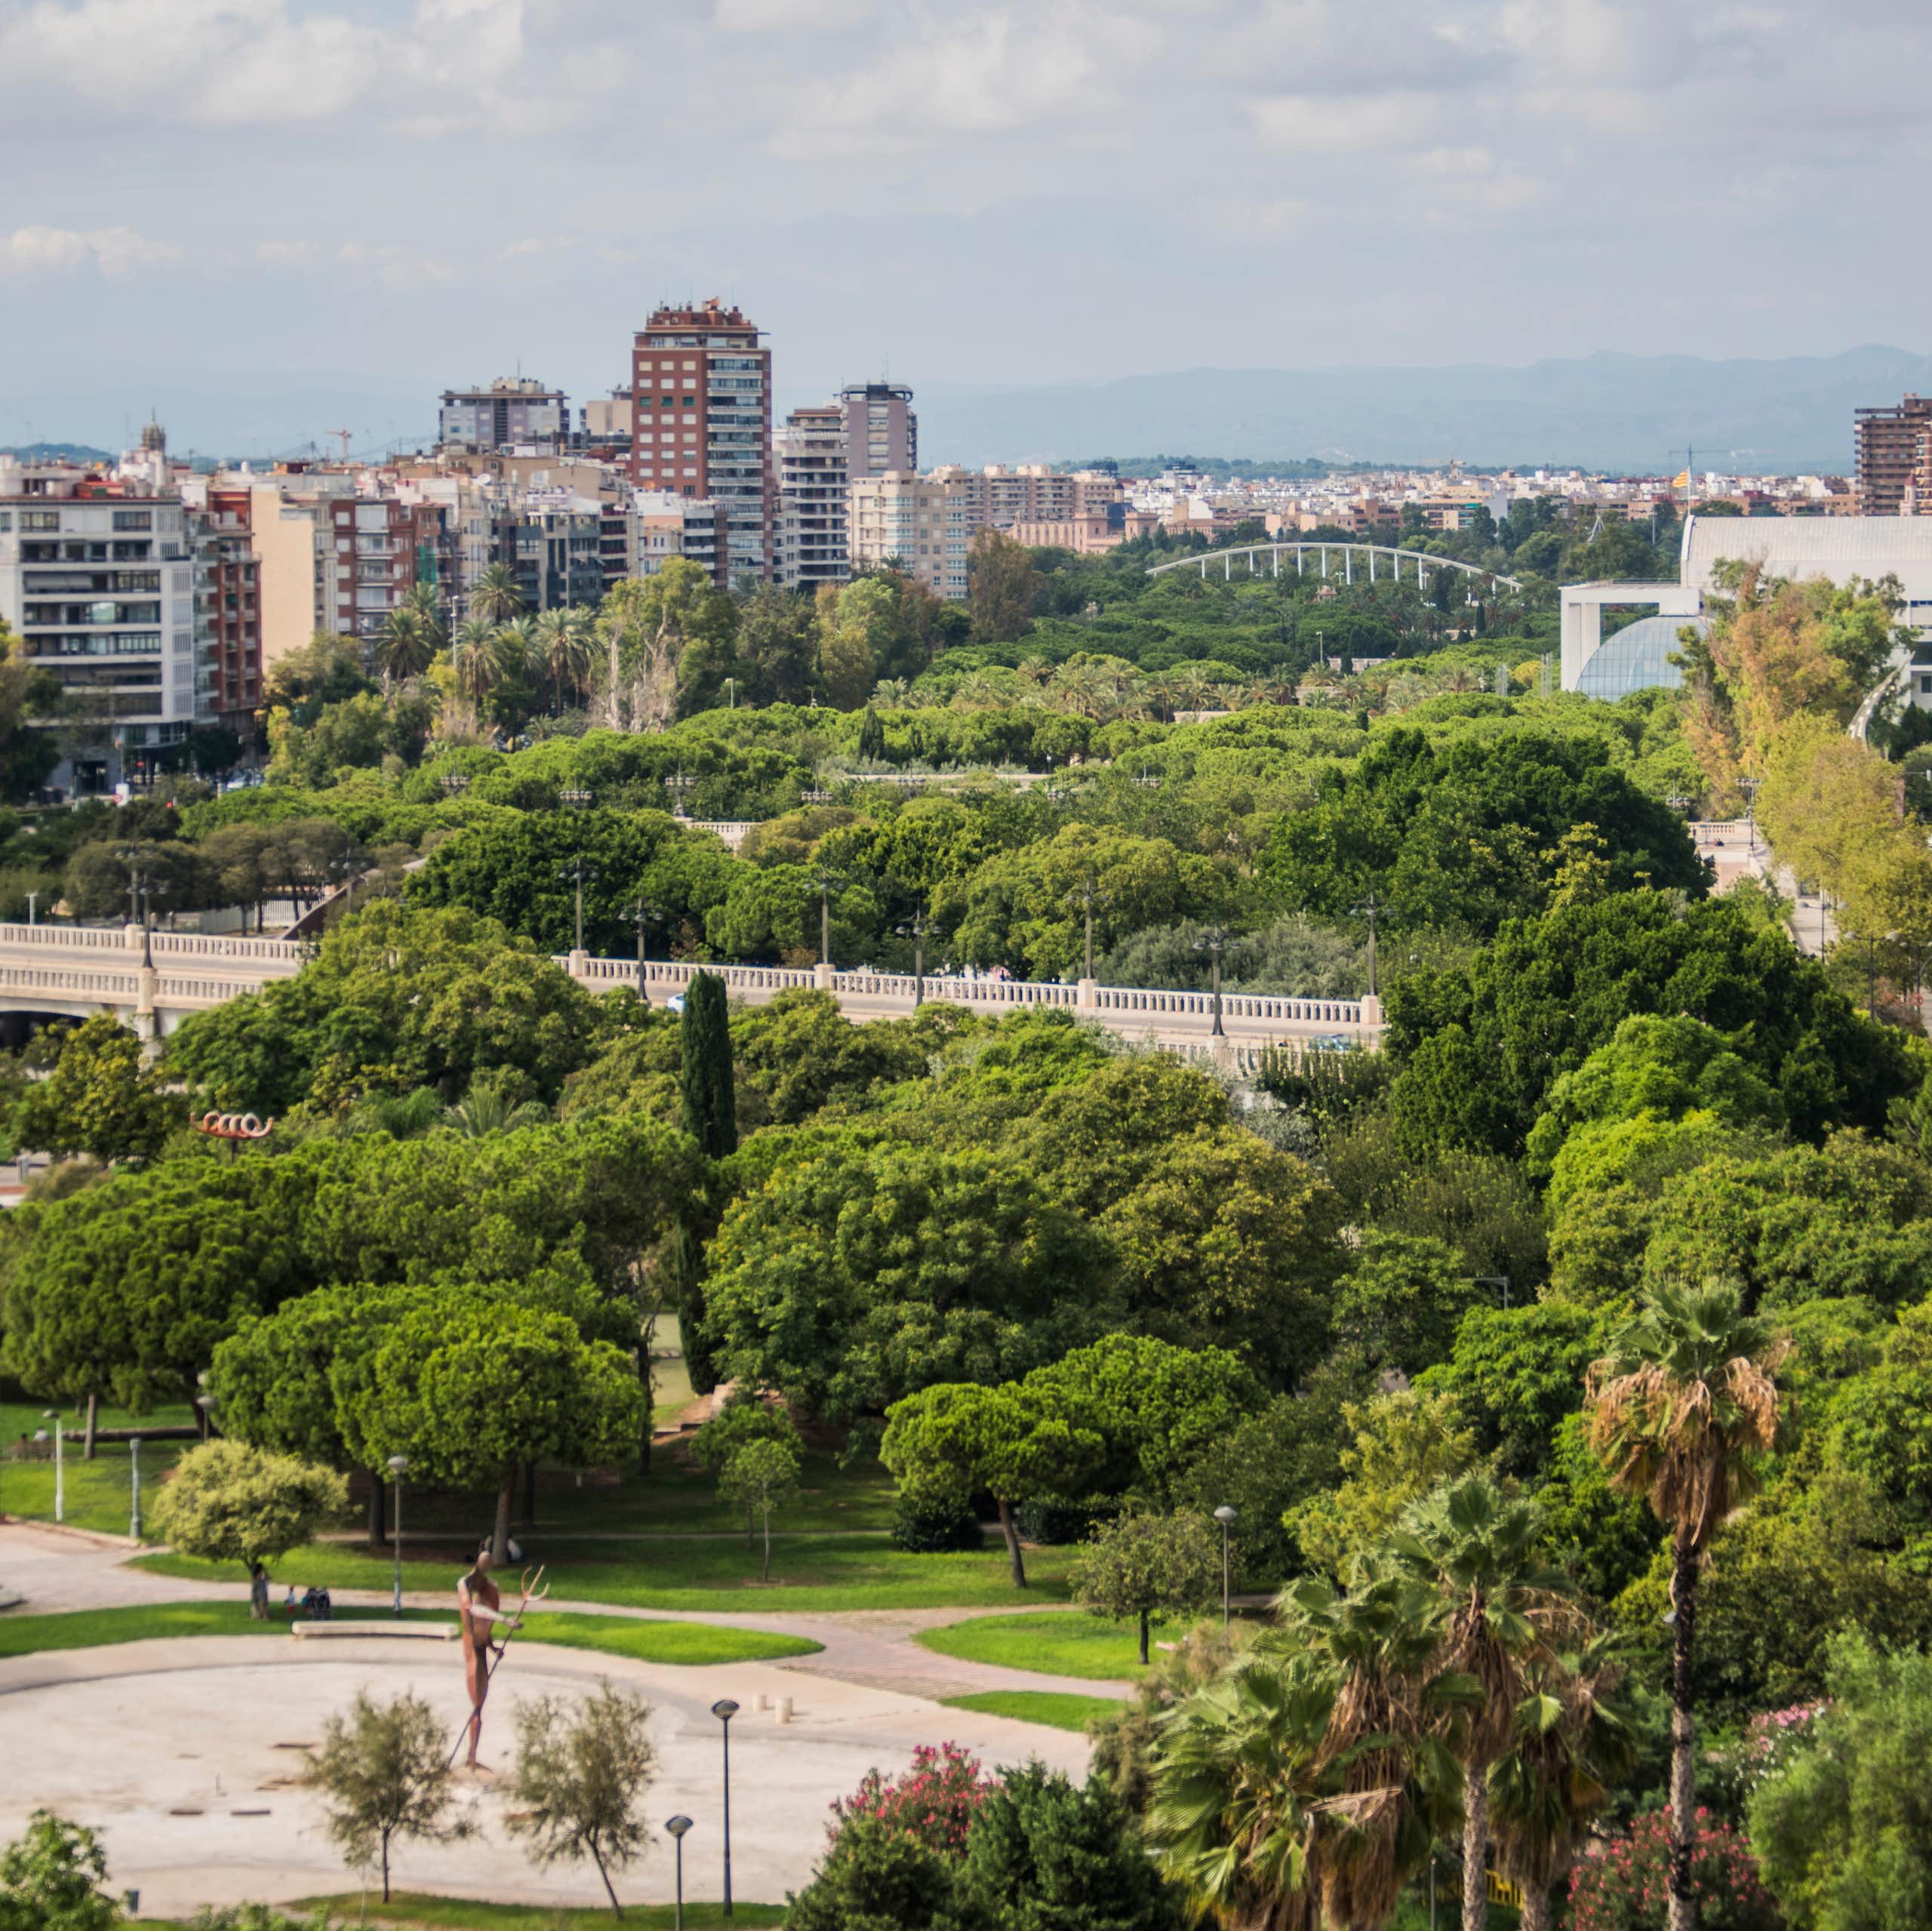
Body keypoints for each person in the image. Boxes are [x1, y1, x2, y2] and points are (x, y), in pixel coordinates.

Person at [455, 1543, 512, 1771]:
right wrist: (503, 1619)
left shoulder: (487, 1587)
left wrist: (493, 1647)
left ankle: (472, 1755)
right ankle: (471, 1757)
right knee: (477, 1707)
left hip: (479, 1649)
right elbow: (472, 1611)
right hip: (472, 1653)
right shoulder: (464, 1585)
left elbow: (482, 1629)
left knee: (479, 1707)